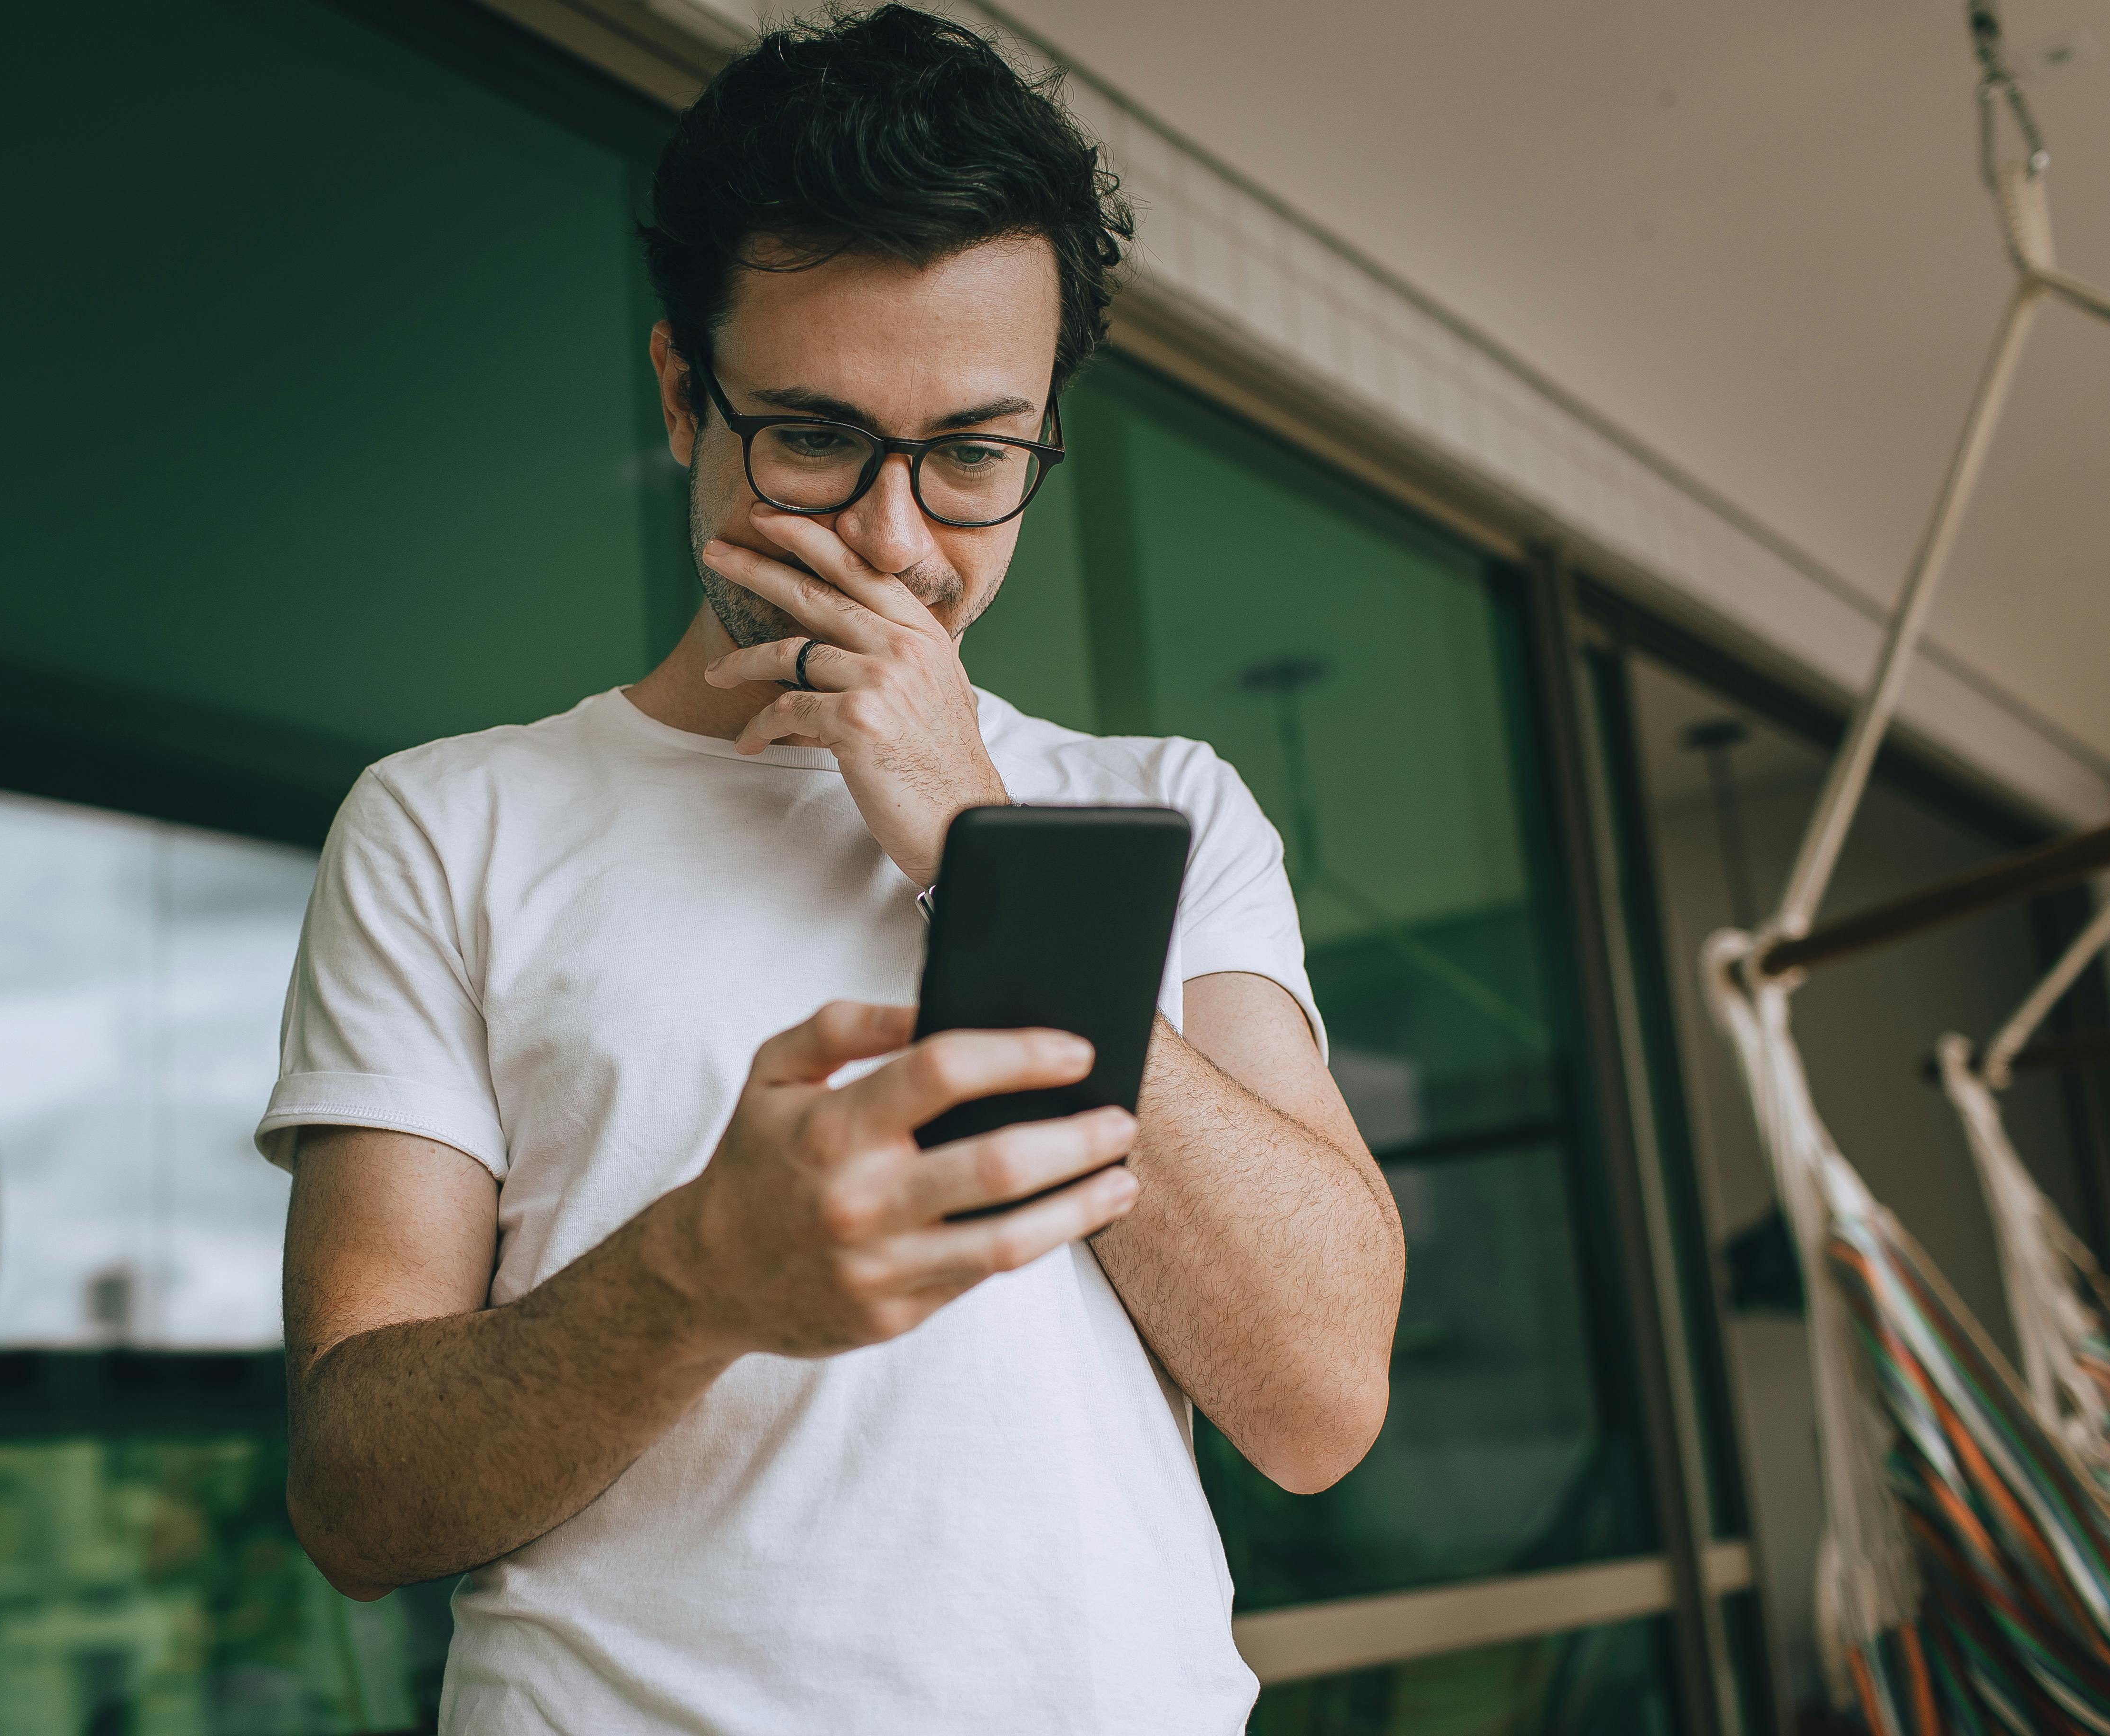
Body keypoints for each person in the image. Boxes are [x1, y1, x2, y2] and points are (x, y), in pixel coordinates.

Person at [266, 9, 1404, 1730]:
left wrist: (966, 829)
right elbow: (357, 1503)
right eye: (812, 437)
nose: (889, 538)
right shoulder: (449, 825)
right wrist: (701, 1276)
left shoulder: (1168, 805)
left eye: (970, 457)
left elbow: (1320, 1407)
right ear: (679, 398)